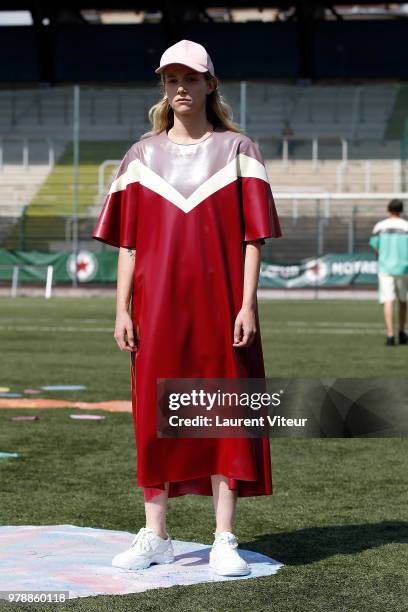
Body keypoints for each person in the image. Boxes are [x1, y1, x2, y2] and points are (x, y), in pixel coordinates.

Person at [92, 39, 282, 576]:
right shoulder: (140, 156)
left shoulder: (239, 150)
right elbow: (128, 244)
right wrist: (122, 310)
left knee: (226, 414)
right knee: (155, 417)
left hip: (222, 307)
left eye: (191, 79)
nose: (181, 89)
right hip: (156, 310)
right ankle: (156, 535)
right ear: (163, 87)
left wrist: (246, 305)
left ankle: (224, 537)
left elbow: (253, 239)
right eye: (171, 80)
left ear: (209, 85)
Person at [369, 199, 408, 346]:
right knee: (403, 300)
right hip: (404, 267)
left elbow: (375, 246)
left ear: (388, 209)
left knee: (388, 300)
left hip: (385, 268)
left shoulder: (380, 226)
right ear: (401, 210)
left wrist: (382, 256)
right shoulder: (406, 226)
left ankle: (390, 335)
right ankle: (402, 332)